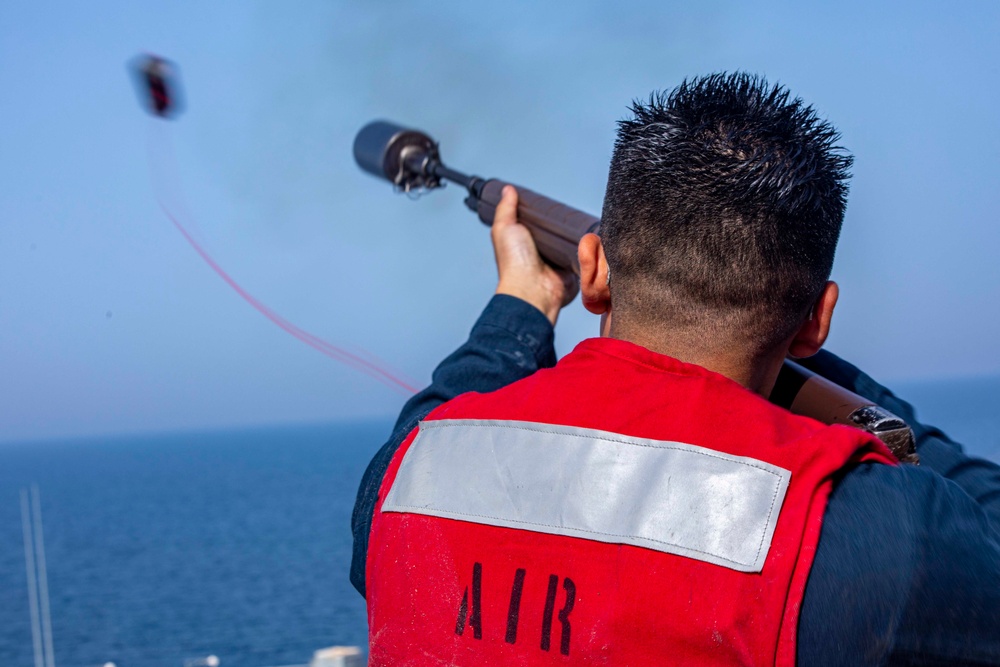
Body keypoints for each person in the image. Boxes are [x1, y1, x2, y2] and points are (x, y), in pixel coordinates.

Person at [351, 73, 1000, 665]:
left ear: (596, 271)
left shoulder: (411, 473)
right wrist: (825, 371)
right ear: (817, 318)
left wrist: (519, 310)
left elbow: (423, 430)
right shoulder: (879, 527)